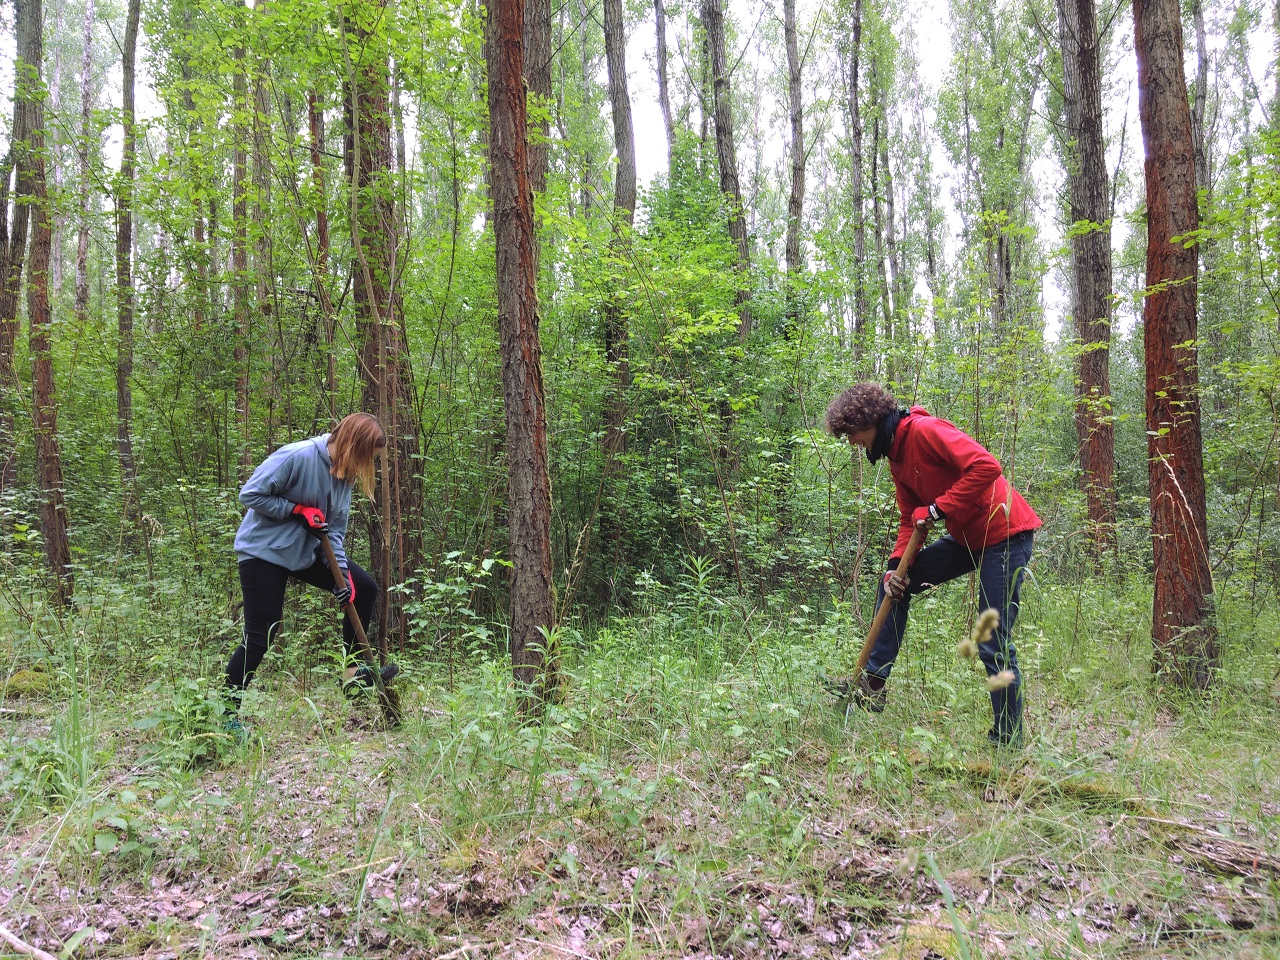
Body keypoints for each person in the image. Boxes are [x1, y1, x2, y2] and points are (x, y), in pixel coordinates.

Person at [825, 383, 1040, 747]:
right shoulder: (896, 456)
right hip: (966, 536)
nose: (852, 442)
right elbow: (911, 518)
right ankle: (873, 683)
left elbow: (987, 467)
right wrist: (897, 567)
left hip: (1004, 533)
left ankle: (1008, 739)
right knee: (893, 584)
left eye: (852, 433)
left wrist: (940, 508)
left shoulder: (925, 431)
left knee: (991, 640)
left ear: (871, 420)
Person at [223, 412, 396, 735]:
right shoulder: (297, 456)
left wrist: (342, 578)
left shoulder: (345, 476)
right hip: (264, 551)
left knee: (364, 588)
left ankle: (352, 676)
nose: (367, 463)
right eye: (366, 455)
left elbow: (335, 533)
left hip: (305, 552)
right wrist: (296, 510)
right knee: (263, 633)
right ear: (352, 445)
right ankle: (225, 713)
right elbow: (250, 494)